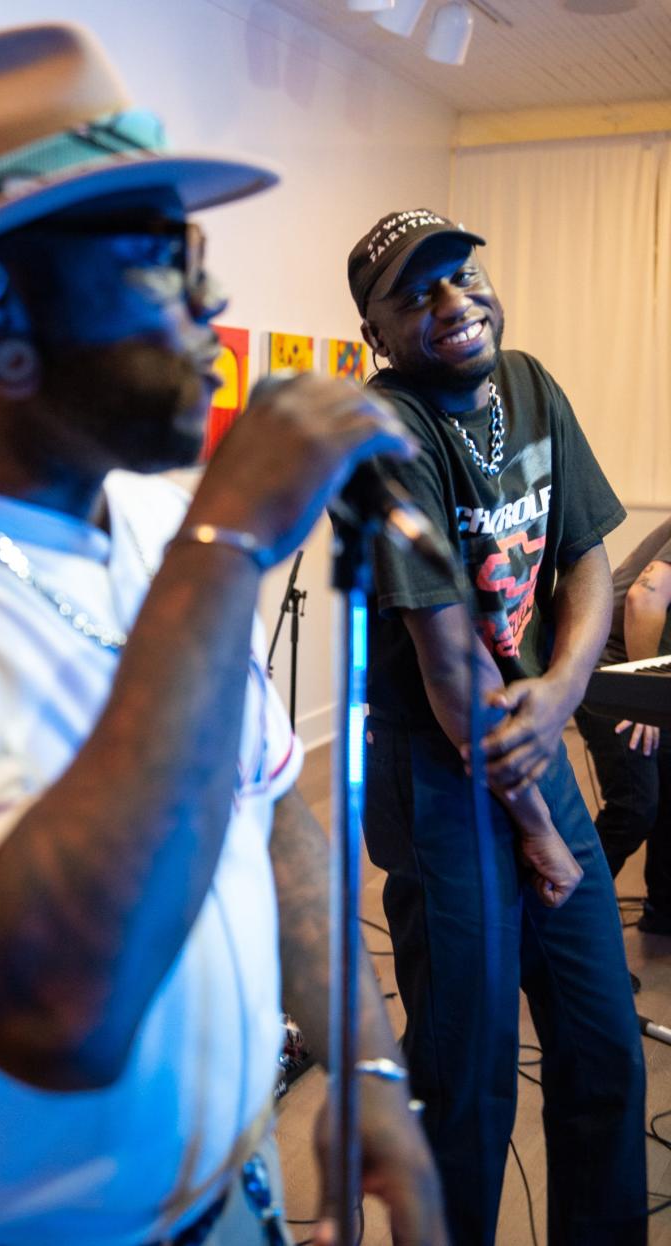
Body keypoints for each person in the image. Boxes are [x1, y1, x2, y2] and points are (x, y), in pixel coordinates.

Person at [0, 27, 448, 1246]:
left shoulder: (157, 524)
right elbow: (56, 1009)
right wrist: (226, 547)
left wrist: (365, 1069)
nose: (213, 298)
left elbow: (275, 814)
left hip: (235, 1203)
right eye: (164, 263)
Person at [344, 209, 647, 1245]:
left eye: (461, 275)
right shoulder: (386, 433)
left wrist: (561, 692)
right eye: (415, 295)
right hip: (440, 768)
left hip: (530, 737)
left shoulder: (531, 383)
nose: (453, 302)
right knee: (468, 1081)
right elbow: (447, 665)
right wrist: (541, 832)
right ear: (375, 334)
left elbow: (588, 558)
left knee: (604, 1046)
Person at [575, 517, 671, 934]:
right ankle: (570, 932)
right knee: (635, 808)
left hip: (646, 670)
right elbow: (643, 598)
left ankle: (663, 912)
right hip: (613, 671)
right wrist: (639, 694)